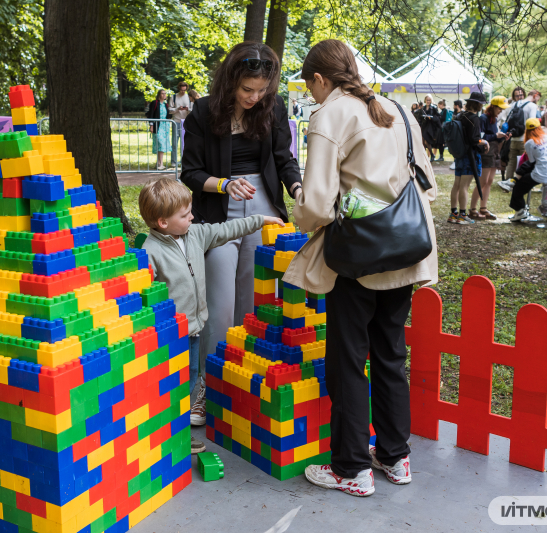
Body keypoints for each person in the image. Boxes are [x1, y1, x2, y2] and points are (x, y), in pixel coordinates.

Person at [283, 38, 437, 497]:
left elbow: (315, 205)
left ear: (318, 79)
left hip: (358, 258)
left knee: (347, 359)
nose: (311, 94)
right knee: (390, 353)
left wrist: (298, 206)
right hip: (406, 250)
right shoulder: (396, 109)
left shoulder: (330, 114)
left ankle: (351, 468)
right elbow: (425, 182)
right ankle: (396, 457)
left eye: (310, 85)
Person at [180, 42, 302, 427]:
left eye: (261, 90)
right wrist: (224, 184)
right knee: (219, 305)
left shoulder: (274, 107)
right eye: (247, 90)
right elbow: (190, 173)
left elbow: (284, 159)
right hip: (218, 212)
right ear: (231, 80)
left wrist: (298, 190)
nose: (254, 97)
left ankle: (241, 382)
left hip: (264, 209)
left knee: (252, 305)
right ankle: (206, 385)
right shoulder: (202, 111)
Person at [139, 178, 286, 454]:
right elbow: (144, 293)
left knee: (192, 380)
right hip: (170, 338)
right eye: (185, 215)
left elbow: (227, 229)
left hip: (194, 332)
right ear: (162, 222)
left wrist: (259, 220)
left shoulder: (194, 234)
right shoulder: (151, 251)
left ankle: (180, 432)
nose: (192, 217)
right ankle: (166, 434)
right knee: (170, 386)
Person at [510, 119, 547, 221]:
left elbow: (531, 161)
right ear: (539, 127)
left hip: (543, 174)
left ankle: (519, 210)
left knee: (518, 187)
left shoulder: (529, 143)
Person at [448, 92, 488, 225]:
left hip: (459, 155)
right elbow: (474, 140)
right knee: (464, 186)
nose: (482, 106)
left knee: (457, 185)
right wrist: (485, 142)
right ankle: (463, 215)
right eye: (481, 104)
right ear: (477, 104)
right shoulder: (474, 118)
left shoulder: (460, 115)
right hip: (470, 156)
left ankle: (453, 214)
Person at [469, 96, 510, 220]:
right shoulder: (483, 118)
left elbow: (492, 136)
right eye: (500, 108)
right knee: (482, 181)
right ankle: (473, 209)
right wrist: (495, 135)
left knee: (490, 181)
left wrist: (502, 137)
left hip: (494, 152)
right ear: (493, 107)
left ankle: (484, 208)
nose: (501, 111)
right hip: (486, 153)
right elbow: (480, 137)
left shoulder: (494, 119)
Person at [498, 87, 540, 186]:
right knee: (524, 161)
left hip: (512, 138)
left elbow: (503, 121)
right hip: (525, 139)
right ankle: (522, 182)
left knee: (511, 161)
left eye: (520, 95)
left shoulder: (510, 106)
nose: (519, 97)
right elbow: (532, 123)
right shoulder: (532, 106)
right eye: (518, 95)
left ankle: (508, 181)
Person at [168, 81, 193, 167]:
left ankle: (185, 161)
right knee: (175, 142)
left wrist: (187, 109)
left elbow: (192, 110)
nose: (183, 92)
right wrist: (177, 109)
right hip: (176, 121)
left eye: (184, 90)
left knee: (186, 143)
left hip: (186, 122)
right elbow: (170, 110)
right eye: (181, 90)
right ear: (179, 88)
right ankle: (173, 161)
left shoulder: (189, 97)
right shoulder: (174, 97)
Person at [147, 89, 172, 170]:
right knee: (160, 143)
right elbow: (151, 114)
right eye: (162, 93)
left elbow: (168, 115)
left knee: (162, 145)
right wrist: (151, 125)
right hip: (157, 126)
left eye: (165, 93)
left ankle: (159, 163)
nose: (164, 95)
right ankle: (160, 163)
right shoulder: (155, 103)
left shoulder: (166, 104)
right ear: (159, 95)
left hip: (165, 127)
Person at [419, 95, 442, 162]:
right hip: (424, 126)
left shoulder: (434, 108)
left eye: (429, 100)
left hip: (430, 127)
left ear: (431, 100)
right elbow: (420, 117)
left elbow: (438, 117)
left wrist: (431, 117)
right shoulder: (423, 108)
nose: (428, 101)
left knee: (426, 141)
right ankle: (425, 157)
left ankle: (431, 154)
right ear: (425, 100)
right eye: (427, 100)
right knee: (423, 142)